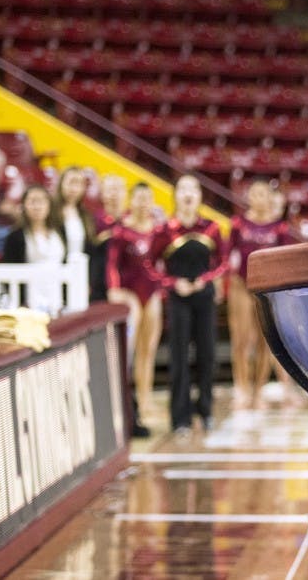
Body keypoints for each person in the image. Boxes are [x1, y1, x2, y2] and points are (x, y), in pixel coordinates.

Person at [148, 174, 228, 436]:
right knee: (179, 357)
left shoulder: (212, 228)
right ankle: (180, 417)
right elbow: (149, 265)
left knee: (207, 355)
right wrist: (172, 283)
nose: (188, 194)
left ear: (200, 196)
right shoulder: (164, 231)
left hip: (204, 298)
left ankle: (205, 411)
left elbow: (224, 262)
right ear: (175, 196)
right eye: (182, 189)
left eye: (193, 189)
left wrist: (204, 280)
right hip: (178, 300)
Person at [227, 179, 300, 409]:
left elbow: (286, 260)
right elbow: (228, 257)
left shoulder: (279, 228)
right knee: (241, 339)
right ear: (248, 197)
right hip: (241, 285)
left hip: (266, 289)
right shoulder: (238, 224)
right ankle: (241, 387)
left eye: (262, 194)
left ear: (270, 199)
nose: (257, 198)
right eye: (254, 193)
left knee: (263, 342)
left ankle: (258, 391)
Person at [107, 182, 163, 436]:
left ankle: (146, 395)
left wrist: (163, 288)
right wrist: (114, 289)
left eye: (147, 198)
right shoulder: (122, 231)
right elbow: (112, 264)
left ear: (152, 201)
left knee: (148, 349)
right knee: (130, 350)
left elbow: (163, 262)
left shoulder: (160, 229)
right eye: (138, 198)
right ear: (132, 201)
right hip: (130, 293)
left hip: (151, 294)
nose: (143, 203)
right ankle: (131, 401)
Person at [3, 185, 67, 313]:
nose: (37, 206)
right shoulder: (15, 236)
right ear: (24, 206)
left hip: (58, 296)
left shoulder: (59, 231)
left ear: (49, 205)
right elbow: (9, 271)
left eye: (42, 201)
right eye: (32, 201)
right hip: (29, 301)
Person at [91, 174, 127, 302]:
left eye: (118, 189)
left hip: (128, 285)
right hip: (99, 285)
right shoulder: (94, 221)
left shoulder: (131, 221)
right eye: (110, 189)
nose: (114, 194)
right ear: (102, 193)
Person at [54, 166, 97, 262]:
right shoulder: (51, 211)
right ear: (61, 184)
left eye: (78, 184)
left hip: (80, 269)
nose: (73, 189)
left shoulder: (86, 215)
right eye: (71, 182)